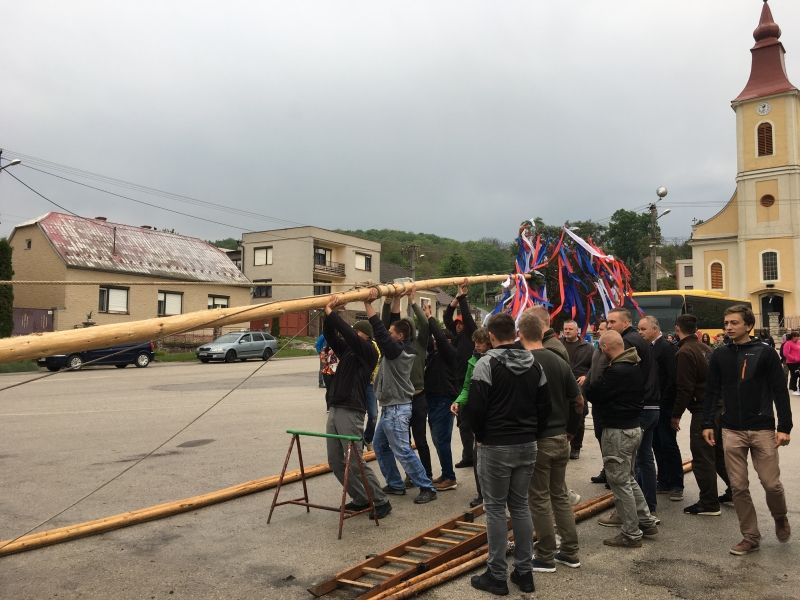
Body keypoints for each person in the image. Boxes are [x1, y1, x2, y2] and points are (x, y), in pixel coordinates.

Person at [465, 313, 550, 594]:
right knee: (521, 506)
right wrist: (532, 433)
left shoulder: (486, 364)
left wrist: (481, 436)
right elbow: (545, 407)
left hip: (495, 445)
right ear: (514, 334)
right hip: (526, 444)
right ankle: (524, 572)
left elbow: (475, 408)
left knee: (495, 509)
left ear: (490, 336)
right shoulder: (534, 364)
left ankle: (497, 574)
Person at [703, 305, 793, 555]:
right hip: (731, 429)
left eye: (734, 323)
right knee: (739, 486)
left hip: (762, 428)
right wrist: (707, 423)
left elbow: (780, 390)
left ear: (748, 325)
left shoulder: (765, 353)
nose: (728, 327)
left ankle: (780, 516)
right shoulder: (719, 355)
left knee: (771, 484)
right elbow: (711, 391)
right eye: (726, 323)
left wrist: (784, 426)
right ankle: (750, 536)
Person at [518, 312, 583, 572]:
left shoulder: (525, 362)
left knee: (539, 498)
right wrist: (571, 431)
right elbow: (578, 401)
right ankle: (570, 551)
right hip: (560, 439)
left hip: (540, 440)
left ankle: (545, 555)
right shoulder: (559, 360)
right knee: (560, 495)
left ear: (521, 334)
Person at [585, 330, 658, 548]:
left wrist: (589, 379)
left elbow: (593, 392)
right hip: (632, 428)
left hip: (617, 431)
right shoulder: (633, 366)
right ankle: (646, 521)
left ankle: (631, 533)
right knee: (628, 478)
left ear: (604, 347)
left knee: (619, 482)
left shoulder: (616, 371)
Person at [365, 288, 437, 504]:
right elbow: (391, 323)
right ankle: (396, 484)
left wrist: (367, 304)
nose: (388, 333)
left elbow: (379, 330)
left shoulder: (398, 352)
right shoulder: (397, 346)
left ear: (400, 336)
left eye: (392, 332)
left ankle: (427, 487)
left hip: (397, 409)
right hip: (390, 407)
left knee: (403, 450)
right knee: (380, 446)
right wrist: (396, 298)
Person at [321, 295, 391, 519]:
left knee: (355, 461)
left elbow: (349, 336)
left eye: (356, 332)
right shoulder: (349, 351)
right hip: (336, 407)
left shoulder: (369, 351)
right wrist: (329, 315)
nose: (352, 333)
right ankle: (361, 498)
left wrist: (333, 314)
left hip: (352, 410)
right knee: (335, 461)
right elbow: (330, 336)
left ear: (365, 336)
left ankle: (381, 501)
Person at [671, 314, 731, 516]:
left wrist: (676, 414)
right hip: (718, 407)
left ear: (677, 329)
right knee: (718, 454)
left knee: (703, 457)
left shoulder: (684, 352)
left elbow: (684, 388)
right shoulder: (706, 348)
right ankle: (735, 490)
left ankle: (709, 502)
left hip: (703, 410)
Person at [607, 308, 659, 516]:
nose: (609, 326)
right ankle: (648, 505)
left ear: (626, 322)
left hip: (641, 406)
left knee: (631, 462)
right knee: (644, 457)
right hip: (650, 404)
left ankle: (635, 511)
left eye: (613, 322)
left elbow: (623, 376)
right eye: (608, 322)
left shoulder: (628, 342)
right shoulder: (640, 340)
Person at [382, 287, 433, 482]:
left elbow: (425, 324)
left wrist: (413, 301)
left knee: (420, 440)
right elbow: (387, 324)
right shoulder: (395, 347)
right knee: (404, 442)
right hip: (402, 400)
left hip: (418, 398)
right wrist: (391, 301)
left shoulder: (420, 344)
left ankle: (426, 475)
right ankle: (411, 476)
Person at [638, 315, 678, 508]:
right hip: (652, 404)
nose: (640, 333)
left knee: (668, 444)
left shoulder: (666, 347)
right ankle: (664, 479)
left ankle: (676, 483)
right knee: (656, 445)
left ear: (655, 329)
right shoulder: (648, 347)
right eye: (639, 329)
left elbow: (671, 379)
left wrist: (665, 403)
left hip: (663, 405)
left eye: (643, 329)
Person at [421, 301, 459, 491]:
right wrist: (424, 319)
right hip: (433, 399)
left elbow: (440, 339)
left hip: (444, 400)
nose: (436, 343)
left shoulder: (450, 353)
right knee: (437, 440)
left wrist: (431, 317)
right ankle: (446, 474)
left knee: (442, 440)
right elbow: (430, 339)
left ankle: (450, 478)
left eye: (441, 340)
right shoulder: (434, 354)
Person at [451, 328, 492, 508]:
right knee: (478, 457)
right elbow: (467, 387)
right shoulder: (472, 360)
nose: (476, 345)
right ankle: (481, 494)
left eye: (480, 342)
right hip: (478, 416)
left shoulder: (494, 360)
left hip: (493, 416)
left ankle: (497, 495)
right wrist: (458, 401)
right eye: (475, 342)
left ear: (489, 342)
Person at [444, 280, 478, 469]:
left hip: (472, 384)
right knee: (463, 424)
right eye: (456, 324)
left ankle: (477, 455)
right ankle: (468, 456)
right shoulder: (455, 337)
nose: (458, 326)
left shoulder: (471, 335)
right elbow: (446, 317)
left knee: (472, 423)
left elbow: (467, 317)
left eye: (461, 324)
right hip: (458, 384)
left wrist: (463, 298)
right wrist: (456, 299)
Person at [561, 319, 593, 460]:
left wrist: (586, 376)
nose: (567, 331)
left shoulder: (588, 347)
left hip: (579, 387)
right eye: (565, 329)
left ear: (577, 331)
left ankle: (576, 447)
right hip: (561, 385)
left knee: (579, 417)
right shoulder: (558, 345)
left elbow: (594, 366)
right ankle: (562, 445)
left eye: (570, 329)